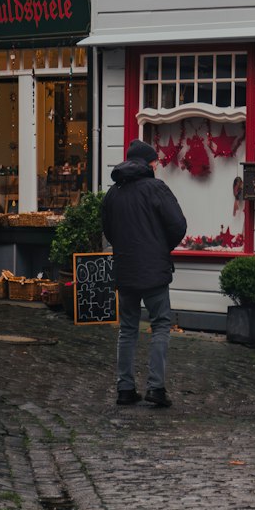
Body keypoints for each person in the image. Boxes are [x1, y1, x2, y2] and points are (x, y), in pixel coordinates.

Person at [101, 138, 187, 408]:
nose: (156, 167)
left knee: (127, 328)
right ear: (148, 163)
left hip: (125, 269)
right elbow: (178, 225)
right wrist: (162, 248)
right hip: (153, 271)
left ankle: (125, 388)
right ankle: (156, 388)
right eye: (155, 163)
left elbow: (108, 230)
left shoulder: (113, 193)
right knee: (160, 325)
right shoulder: (156, 188)